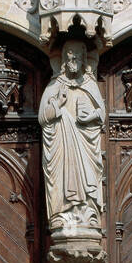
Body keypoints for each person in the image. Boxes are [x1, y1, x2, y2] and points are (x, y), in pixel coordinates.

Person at [38, 40, 105, 232]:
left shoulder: (90, 84)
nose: (74, 60)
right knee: (61, 175)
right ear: (64, 60)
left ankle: (88, 213)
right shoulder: (55, 85)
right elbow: (43, 117)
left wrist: (91, 116)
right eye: (70, 56)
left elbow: (102, 114)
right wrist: (58, 104)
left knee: (88, 176)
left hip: (85, 145)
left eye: (77, 56)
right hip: (62, 145)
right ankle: (60, 215)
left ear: (84, 59)